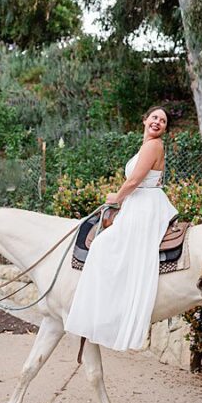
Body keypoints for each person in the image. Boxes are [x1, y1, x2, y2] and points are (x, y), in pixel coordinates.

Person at [65, 106, 178, 350]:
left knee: (104, 245)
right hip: (138, 202)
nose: (158, 122)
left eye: (163, 120)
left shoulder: (153, 145)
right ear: (145, 120)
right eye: (154, 117)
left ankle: (107, 310)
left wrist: (116, 197)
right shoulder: (145, 145)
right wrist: (121, 201)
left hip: (146, 205)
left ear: (164, 128)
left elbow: (136, 180)